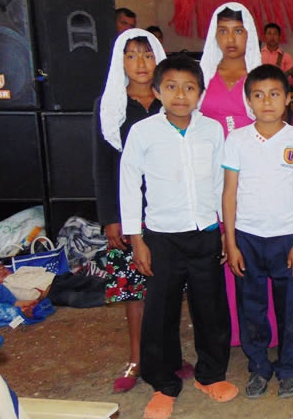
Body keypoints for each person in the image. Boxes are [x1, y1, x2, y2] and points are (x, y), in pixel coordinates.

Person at [120, 56, 237, 419]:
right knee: (161, 313)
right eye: (171, 87)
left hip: (205, 233)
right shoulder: (143, 132)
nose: (181, 95)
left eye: (189, 88)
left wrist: (224, 230)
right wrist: (136, 238)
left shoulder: (212, 130)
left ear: (200, 93)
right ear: (157, 91)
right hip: (162, 237)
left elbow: (220, 183)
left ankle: (211, 374)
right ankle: (164, 384)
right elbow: (129, 183)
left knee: (211, 308)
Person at [92, 28, 194, 393]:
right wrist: (111, 218)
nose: (140, 63)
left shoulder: (170, 99)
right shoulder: (111, 104)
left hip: (168, 209)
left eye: (148, 55)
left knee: (168, 288)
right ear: (120, 61)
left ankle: (169, 356)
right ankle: (138, 358)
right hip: (129, 212)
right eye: (132, 55)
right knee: (135, 291)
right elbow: (103, 165)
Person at [222, 65, 293, 399]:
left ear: (288, 98)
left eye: (274, 94)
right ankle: (259, 366)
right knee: (252, 307)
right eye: (258, 95)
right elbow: (229, 194)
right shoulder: (237, 140)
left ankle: (288, 368)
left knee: (291, 308)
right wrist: (231, 242)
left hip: (287, 237)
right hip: (247, 238)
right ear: (248, 101)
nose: (266, 102)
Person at [198, 2, 263, 348]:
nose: (231, 39)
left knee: (253, 245)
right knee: (221, 248)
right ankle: (230, 331)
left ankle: (265, 329)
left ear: (248, 34)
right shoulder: (203, 75)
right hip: (211, 175)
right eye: (223, 31)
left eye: (238, 31)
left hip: (253, 174)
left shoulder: (259, 75)